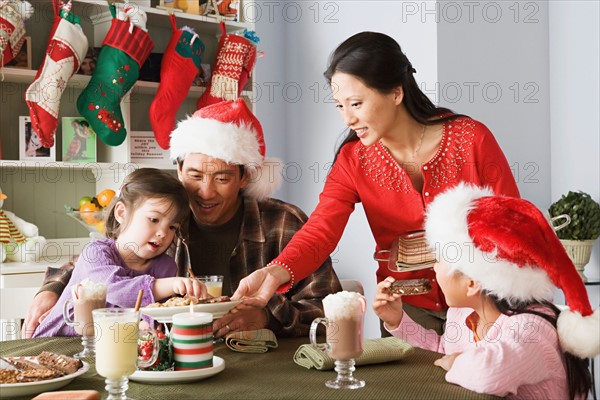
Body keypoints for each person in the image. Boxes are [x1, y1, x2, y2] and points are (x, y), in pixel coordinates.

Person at [233, 31, 520, 335]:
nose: (347, 118)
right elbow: (320, 231)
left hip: (483, 308)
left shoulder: (470, 139)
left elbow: (515, 226)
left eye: (356, 103)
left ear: (396, 93)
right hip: (405, 314)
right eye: (339, 106)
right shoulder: (353, 159)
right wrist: (274, 272)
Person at [24, 99, 342, 339]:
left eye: (222, 178)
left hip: (259, 364)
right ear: (178, 170)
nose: (205, 192)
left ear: (245, 177)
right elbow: (98, 262)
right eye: (194, 175)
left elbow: (333, 315)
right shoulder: (164, 218)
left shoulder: (283, 223)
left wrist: (267, 319)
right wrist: (50, 288)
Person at [373, 183, 598, 399]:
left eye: (439, 260)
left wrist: (455, 363)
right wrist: (398, 321)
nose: (433, 267)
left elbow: (489, 372)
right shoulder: (462, 315)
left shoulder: (532, 330)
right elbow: (444, 350)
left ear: (471, 283)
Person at [33, 168, 207, 337]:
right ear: (121, 213)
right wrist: (170, 285)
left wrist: (148, 326)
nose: (163, 233)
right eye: (154, 219)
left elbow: (153, 318)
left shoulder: (165, 267)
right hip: (60, 341)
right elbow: (112, 289)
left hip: (113, 346)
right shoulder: (96, 253)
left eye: (172, 227)